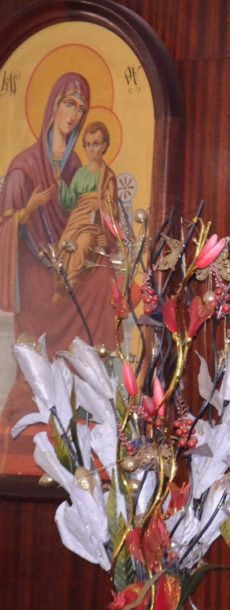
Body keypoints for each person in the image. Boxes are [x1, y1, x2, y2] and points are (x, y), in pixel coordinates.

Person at [0, 72, 116, 426]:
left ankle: (90, 392)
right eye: (69, 103)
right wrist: (32, 207)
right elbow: (6, 225)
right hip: (35, 266)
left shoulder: (78, 165)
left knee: (102, 279)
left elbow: (83, 213)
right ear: (53, 106)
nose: (75, 114)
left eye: (81, 108)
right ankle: (36, 396)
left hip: (69, 256)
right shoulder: (24, 166)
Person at [54, 120, 118, 294]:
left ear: (104, 146)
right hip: (77, 220)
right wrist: (60, 183)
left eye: (96, 144)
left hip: (94, 225)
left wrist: (100, 204)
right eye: (88, 145)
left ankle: (71, 284)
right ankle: (62, 284)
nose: (91, 149)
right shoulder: (80, 174)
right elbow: (70, 202)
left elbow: (113, 210)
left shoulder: (107, 176)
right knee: (64, 246)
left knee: (82, 244)